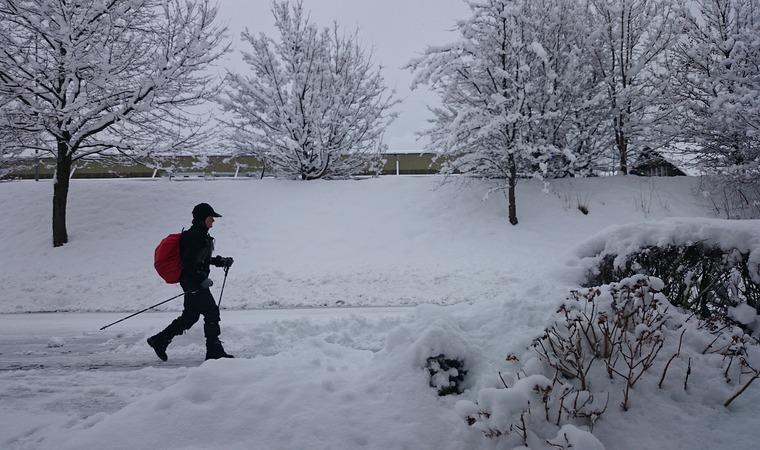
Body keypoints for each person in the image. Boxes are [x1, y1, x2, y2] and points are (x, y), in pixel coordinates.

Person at [147, 202, 235, 361]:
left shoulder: (201, 234)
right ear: (203, 218)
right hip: (193, 282)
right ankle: (214, 351)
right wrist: (202, 279)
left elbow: (200, 260)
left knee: (190, 316)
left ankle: (159, 340)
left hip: (193, 281)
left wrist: (219, 261)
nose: (213, 221)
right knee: (211, 312)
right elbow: (189, 263)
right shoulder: (194, 236)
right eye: (211, 218)